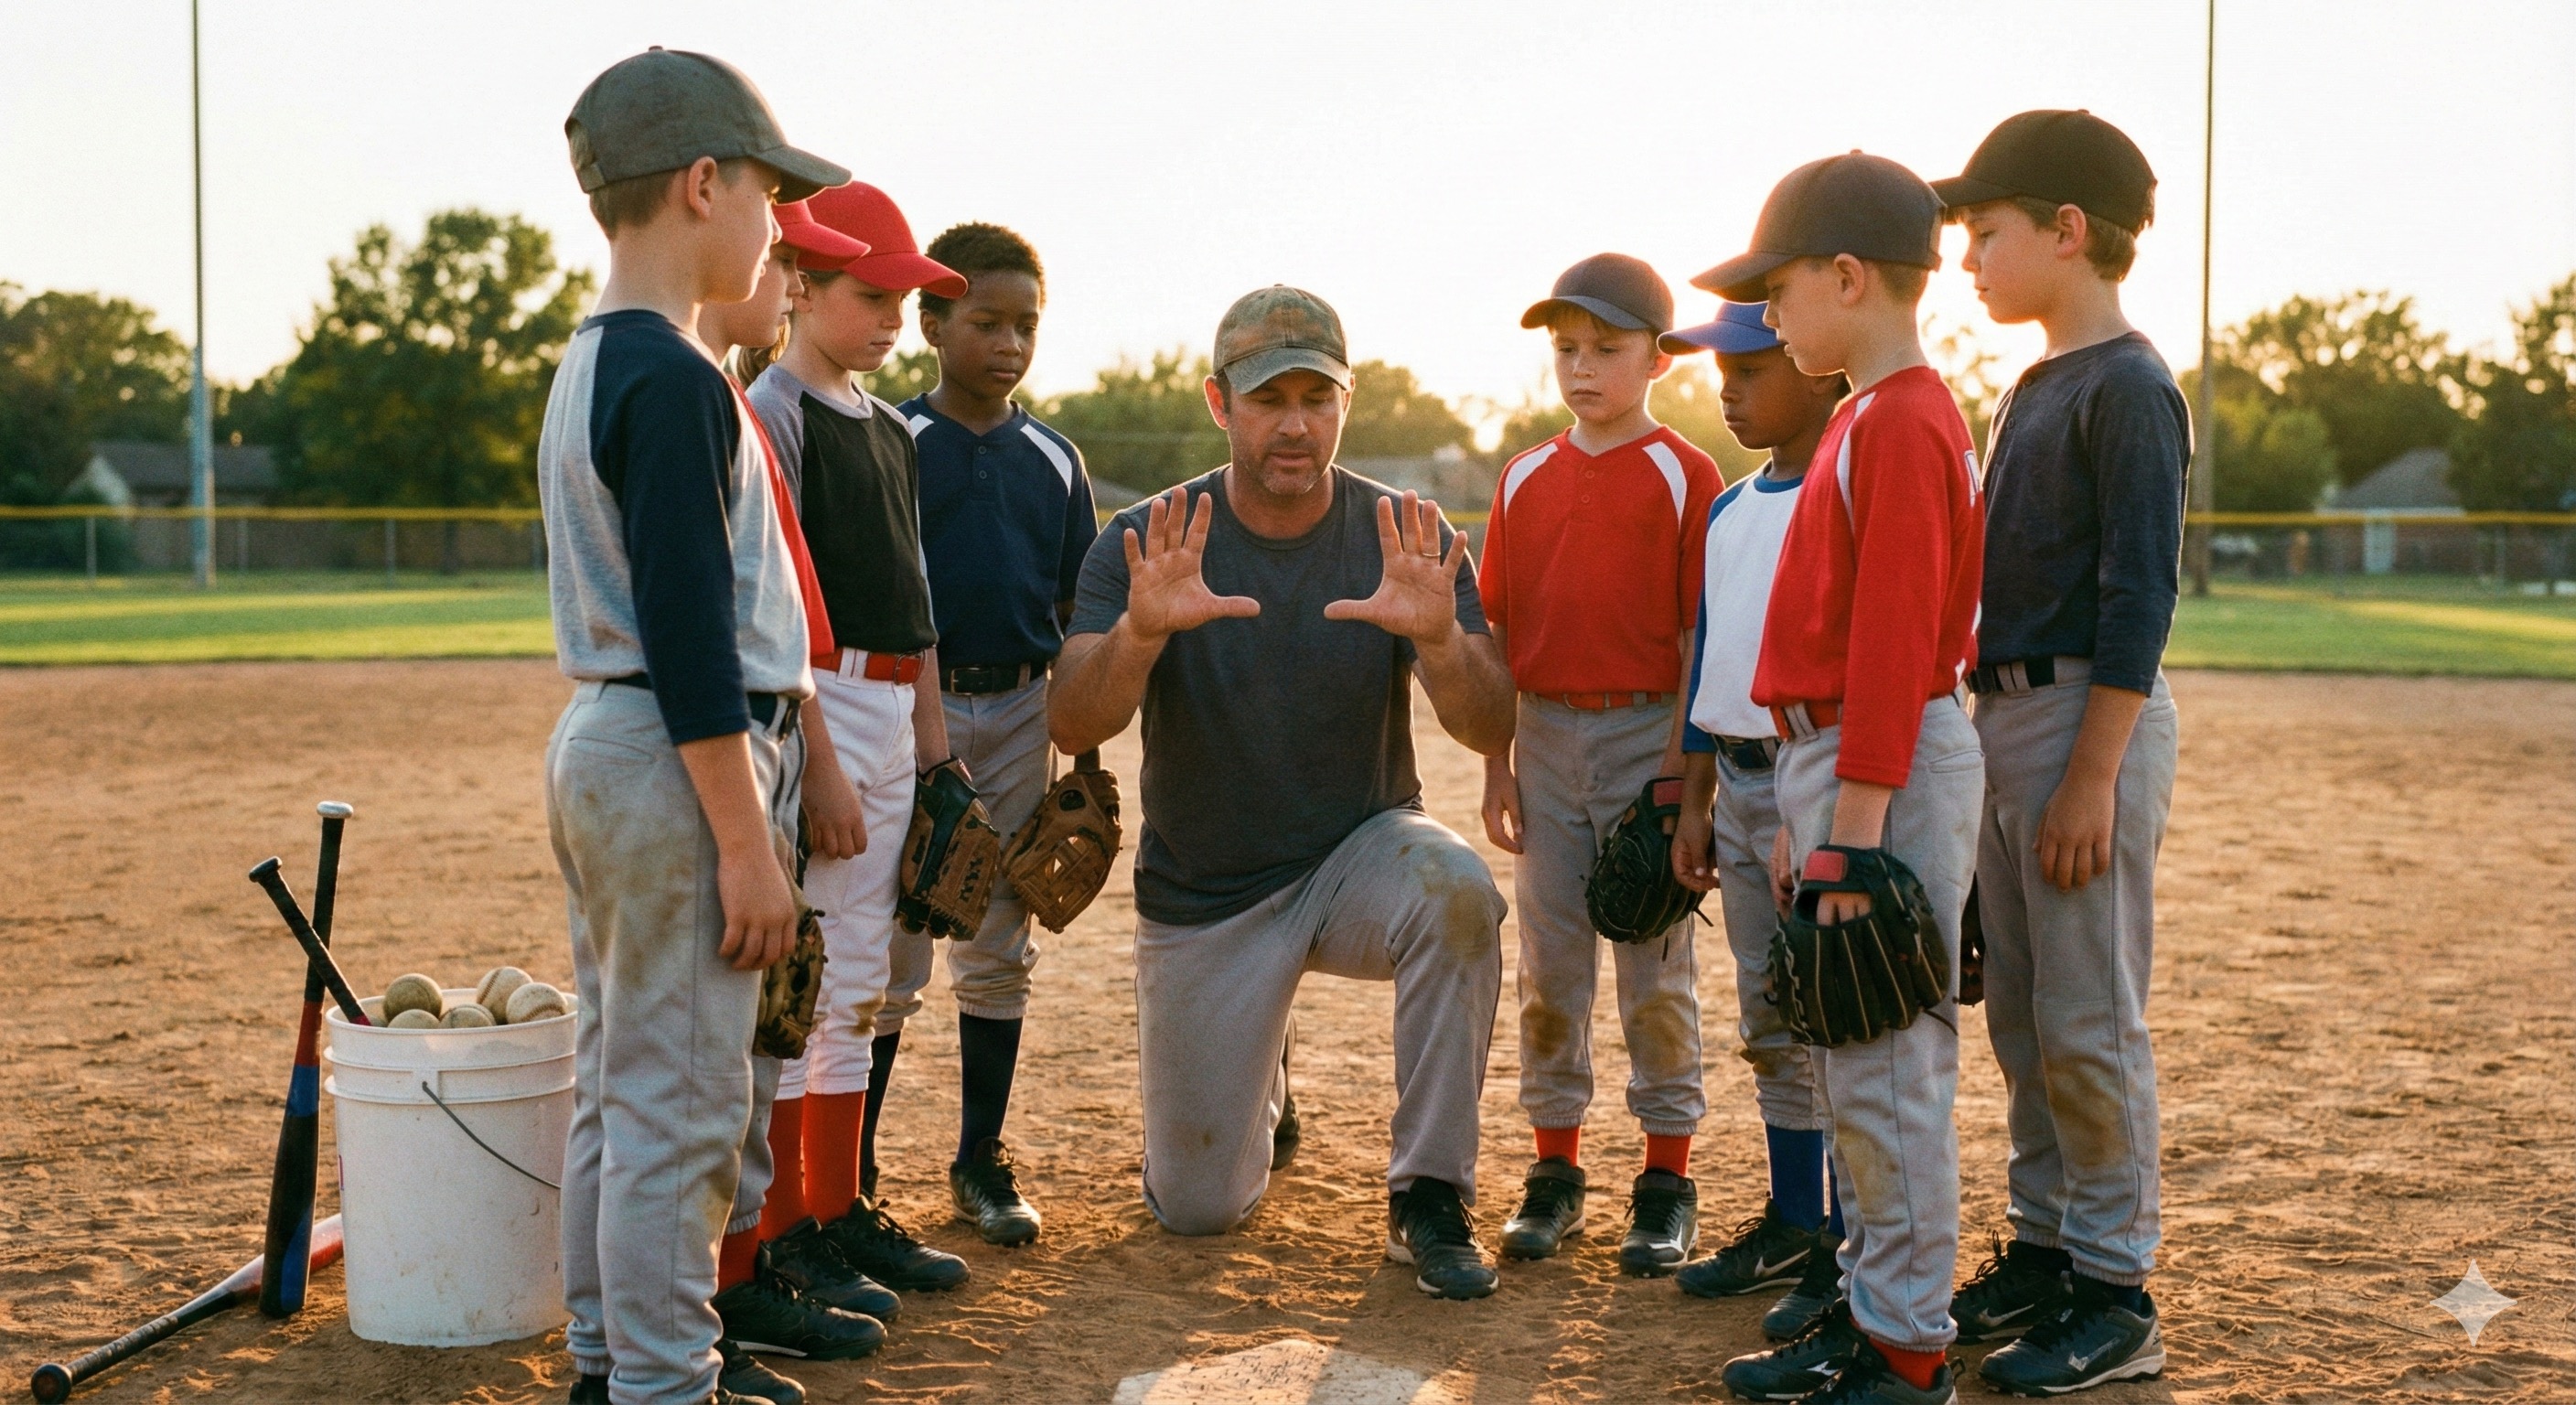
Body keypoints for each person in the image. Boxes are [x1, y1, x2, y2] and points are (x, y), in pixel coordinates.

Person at [1048, 286, 1518, 1299]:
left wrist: (1437, 640)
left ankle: (1428, 1195)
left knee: (1460, 897)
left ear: (1346, 401)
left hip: (1359, 855)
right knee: (1197, 1212)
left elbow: (1488, 727)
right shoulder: (1147, 535)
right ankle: (1265, 1076)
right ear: (1220, 404)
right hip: (1209, 892)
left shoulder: (1407, 535)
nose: (1295, 423)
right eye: (1268, 398)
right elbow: (1072, 725)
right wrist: (1139, 633)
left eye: (1317, 395)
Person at [542, 48, 871, 1405]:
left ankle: (610, 1360)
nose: (778, 224)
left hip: (617, 748)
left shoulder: (595, 357)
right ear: (698, 185)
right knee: (680, 1113)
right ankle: (664, 1387)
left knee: (623, 1090)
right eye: (765, 193)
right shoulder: (675, 377)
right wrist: (749, 842)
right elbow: (688, 630)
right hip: (685, 757)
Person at [1695, 152, 1985, 1405]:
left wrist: (1850, 833)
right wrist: (1808, 810)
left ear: (1851, 278)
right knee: (1855, 1060)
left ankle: (1908, 1345)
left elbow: (1895, 634)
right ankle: (1874, 1309)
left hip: (1886, 757)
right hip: (1838, 760)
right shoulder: (1871, 414)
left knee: (1889, 1067)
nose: (1772, 313)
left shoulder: (1910, 419)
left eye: (1783, 289)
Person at [1933, 110, 2185, 1395]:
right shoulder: (2033, 384)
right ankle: (2043, 1250)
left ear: (2067, 231)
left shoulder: (2131, 385)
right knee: (2026, 1020)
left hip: (2090, 717)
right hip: (2009, 720)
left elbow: (2140, 593)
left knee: (2089, 1021)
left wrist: (2091, 772)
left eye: (1988, 232)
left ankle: (2115, 1287)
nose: (1970, 258)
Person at [743, 181, 973, 1301]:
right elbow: (776, 607)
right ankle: (784, 1225)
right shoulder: (773, 409)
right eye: (869, 293)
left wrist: (935, 756)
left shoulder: (890, 426)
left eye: (903, 296)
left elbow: (915, 598)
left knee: (865, 977)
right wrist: (821, 760)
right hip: (818, 706)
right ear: (800, 283)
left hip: (892, 705)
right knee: (814, 977)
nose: (892, 317)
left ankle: (835, 1208)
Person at [1475, 253, 1722, 1276]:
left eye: (1606, 349)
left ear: (1657, 359)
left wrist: (1681, 784)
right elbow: (1492, 635)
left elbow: (1693, 644)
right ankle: (1555, 1170)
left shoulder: (1684, 473)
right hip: (1542, 735)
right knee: (1550, 970)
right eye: (1565, 349)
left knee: (1655, 973)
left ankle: (1665, 1178)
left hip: (1644, 736)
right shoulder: (1523, 476)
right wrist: (1496, 764)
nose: (1581, 369)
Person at [892, 220, 1099, 1247]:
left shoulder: (1055, 459)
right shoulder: (893, 441)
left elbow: (1080, 613)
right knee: (890, 940)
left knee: (998, 933)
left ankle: (978, 1160)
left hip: (1020, 707)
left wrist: (1084, 754)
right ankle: (846, 1181)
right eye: (985, 321)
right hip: (905, 708)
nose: (1009, 342)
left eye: (1025, 324)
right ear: (931, 321)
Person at [1660, 299, 1852, 1339]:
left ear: (1818, 367)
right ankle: (1792, 1217)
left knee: (1834, 1017)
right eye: (1718, 369)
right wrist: (1693, 800)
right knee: (1769, 1016)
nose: (1724, 387)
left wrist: (1800, 800)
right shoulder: (1732, 509)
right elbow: (1709, 667)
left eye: (1749, 365)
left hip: (1807, 776)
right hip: (1732, 785)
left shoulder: (1840, 491)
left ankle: (1844, 1239)